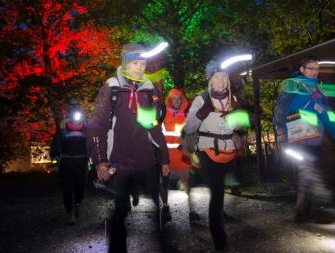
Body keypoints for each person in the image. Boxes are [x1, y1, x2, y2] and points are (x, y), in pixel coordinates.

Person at [87, 43, 170, 253]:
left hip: (146, 160)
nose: (140, 67)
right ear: (125, 64)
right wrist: (100, 161)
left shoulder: (148, 89)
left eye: (143, 63)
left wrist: (165, 158)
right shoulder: (112, 87)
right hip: (119, 161)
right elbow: (97, 126)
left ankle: (163, 245)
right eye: (135, 62)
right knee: (120, 210)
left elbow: (153, 127)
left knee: (156, 204)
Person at [273, 56, 335, 223]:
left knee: (310, 173)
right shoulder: (292, 85)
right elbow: (279, 111)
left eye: (317, 68)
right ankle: (302, 213)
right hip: (296, 139)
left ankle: (305, 211)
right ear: (302, 69)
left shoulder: (319, 90)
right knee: (307, 172)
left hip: (315, 139)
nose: (315, 72)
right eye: (311, 68)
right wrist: (281, 135)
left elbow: (327, 115)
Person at [184, 60, 244, 252]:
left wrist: (239, 132)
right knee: (217, 194)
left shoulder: (233, 100)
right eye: (217, 77)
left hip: (228, 151)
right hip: (207, 152)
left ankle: (219, 214)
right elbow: (189, 127)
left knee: (227, 188)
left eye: (224, 77)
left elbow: (239, 126)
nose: (221, 81)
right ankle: (220, 240)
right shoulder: (201, 99)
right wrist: (202, 112)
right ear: (211, 80)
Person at [160, 88, 200, 222]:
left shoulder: (186, 116)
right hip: (166, 157)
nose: (176, 100)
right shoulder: (162, 115)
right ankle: (165, 207)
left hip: (182, 156)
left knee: (188, 182)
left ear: (182, 99)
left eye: (179, 98)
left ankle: (192, 210)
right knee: (163, 183)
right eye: (174, 98)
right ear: (169, 100)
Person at [50, 100, 88, 225]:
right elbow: (56, 143)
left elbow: (92, 144)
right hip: (66, 162)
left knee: (80, 188)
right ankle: (69, 213)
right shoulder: (63, 128)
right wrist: (55, 159)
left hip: (81, 162)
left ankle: (77, 203)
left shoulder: (86, 129)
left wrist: (95, 159)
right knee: (67, 188)